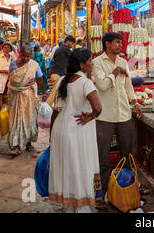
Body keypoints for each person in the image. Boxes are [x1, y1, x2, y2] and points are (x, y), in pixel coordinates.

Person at [48, 48, 103, 213]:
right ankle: (81, 206)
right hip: (78, 132)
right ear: (82, 64)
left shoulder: (62, 81)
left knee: (67, 168)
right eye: (90, 60)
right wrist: (91, 116)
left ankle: (70, 205)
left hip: (60, 130)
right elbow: (98, 108)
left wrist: (52, 135)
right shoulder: (86, 83)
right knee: (80, 168)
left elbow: (55, 111)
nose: (92, 63)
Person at [92, 32, 142, 199]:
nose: (120, 45)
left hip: (124, 114)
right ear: (107, 44)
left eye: (121, 43)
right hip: (105, 115)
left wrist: (135, 102)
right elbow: (103, 86)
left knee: (127, 154)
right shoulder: (97, 63)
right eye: (117, 42)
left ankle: (126, 189)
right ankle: (103, 193)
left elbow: (128, 86)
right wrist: (114, 72)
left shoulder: (123, 62)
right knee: (103, 157)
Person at [7, 44, 47, 155]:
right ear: (20, 54)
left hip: (29, 97)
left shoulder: (34, 65)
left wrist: (44, 93)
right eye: (24, 56)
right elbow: (10, 79)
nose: (26, 59)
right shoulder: (13, 65)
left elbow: (40, 80)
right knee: (16, 121)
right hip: (15, 96)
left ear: (32, 55)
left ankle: (28, 143)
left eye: (29, 56)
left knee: (30, 120)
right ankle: (16, 145)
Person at [47, 36, 75, 106]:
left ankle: (56, 108)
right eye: (71, 44)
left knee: (57, 92)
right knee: (54, 92)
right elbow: (74, 59)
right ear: (68, 41)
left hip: (54, 73)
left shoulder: (59, 48)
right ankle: (47, 107)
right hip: (58, 74)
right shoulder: (66, 49)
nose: (71, 46)